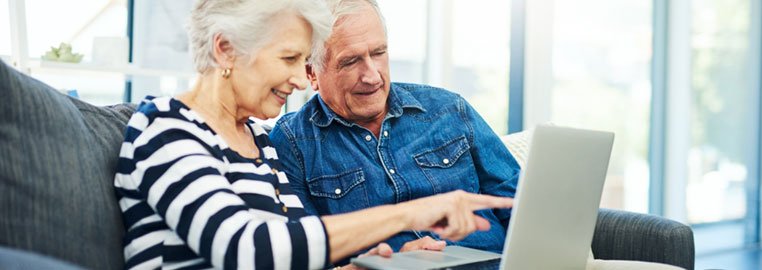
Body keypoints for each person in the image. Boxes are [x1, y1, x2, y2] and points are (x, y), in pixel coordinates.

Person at [113, 0, 513, 269]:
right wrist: (411, 213)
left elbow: (304, 254)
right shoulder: (165, 128)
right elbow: (246, 249)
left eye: (302, 60)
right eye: (289, 59)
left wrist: (387, 261)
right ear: (225, 50)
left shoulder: (256, 142)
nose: (300, 80)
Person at [269, 0, 521, 260]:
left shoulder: (449, 109)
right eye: (351, 61)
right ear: (311, 73)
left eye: (378, 53)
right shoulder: (293, 143)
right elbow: (303, 252)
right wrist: (398, 260)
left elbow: (521, 206)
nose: (373, 76)